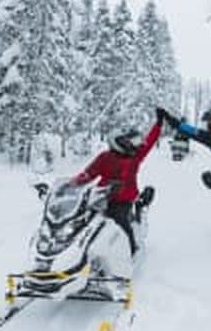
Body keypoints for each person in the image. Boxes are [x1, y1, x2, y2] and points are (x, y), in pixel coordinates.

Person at [70, 109, 164, 256]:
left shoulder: (134, 157)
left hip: (123, 200)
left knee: (121, 223)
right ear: (116, 142)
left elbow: (149, 141)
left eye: (129, 142)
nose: (130, 145)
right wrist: (70, 185)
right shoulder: (105, 157)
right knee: (81, 222)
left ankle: (131, 251)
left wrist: (158, 125)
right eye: (125, 142)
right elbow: (88, 174)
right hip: (101, 198)